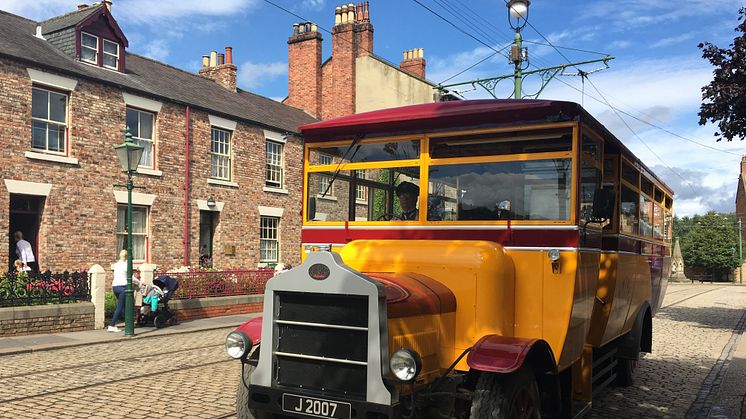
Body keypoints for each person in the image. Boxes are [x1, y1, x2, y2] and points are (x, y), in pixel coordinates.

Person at [109, 249, 141, 332]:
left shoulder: (116, 265)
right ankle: (112, 325)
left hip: (115, 287)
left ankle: (128, 322)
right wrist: (140, 283)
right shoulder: (126, 265)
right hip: (123, 287)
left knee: (123, 306)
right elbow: (131, 278)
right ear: (127, 257)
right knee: (120, 307)